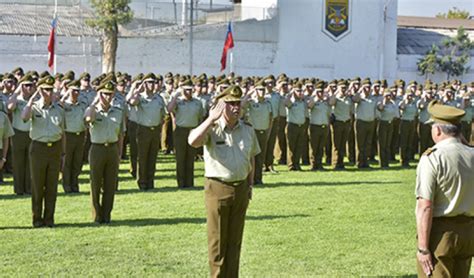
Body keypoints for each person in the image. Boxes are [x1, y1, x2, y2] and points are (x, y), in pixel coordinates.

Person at [188, 85, 260, 278]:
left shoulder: (247, 129)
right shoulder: (212, 129)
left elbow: (251, 158)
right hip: (218, 188)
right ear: (220, 106)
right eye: (230, 104)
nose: (236, 107)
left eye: (238, 103)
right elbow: (193, 141)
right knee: (218, 243)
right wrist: (211, 118)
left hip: (241, 187)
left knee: (234, 242)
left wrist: (250, 185)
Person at [415, 100, 474, 277]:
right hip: (469, 231)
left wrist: (423, 249)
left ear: (438, 130)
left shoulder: (432, 158)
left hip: (442, 233)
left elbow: (425, 206)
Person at [22, 76, 65, 228]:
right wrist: (31, 100)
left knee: (52, 186)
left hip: (54, 148)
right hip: (38, 148)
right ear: (40, 90)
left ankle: (49, 219)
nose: (48, 92)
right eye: (45, 89)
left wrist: (63, 154)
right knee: (37, 185)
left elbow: (62, 132)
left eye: (50, 89)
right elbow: (24, 117)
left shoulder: (59, 109)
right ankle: (37, 218)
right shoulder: (34, 107)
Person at [84, 80, 125, 224]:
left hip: (112, 149)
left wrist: (119, 153)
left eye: (110, 94)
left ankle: (107, 214)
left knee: (110, 184)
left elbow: (120, 134)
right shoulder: (93, 110)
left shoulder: (118, 111)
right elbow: (88, 118)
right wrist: (94, 103)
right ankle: (97, 214)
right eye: (104, 94)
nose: (107, 97)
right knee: (95, 183)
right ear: (99, 94)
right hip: (97, 148)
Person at [127, 73, 166, 190]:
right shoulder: (140, 97)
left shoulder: (159, 98)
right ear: (144, 84)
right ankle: (142, 182)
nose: (152, 85)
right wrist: (136, 89)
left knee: (152, 157)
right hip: (143, 129)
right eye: (149, 82)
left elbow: (162, 115)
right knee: (142, 158)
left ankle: (150, 181)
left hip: (155, 130)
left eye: (153, 82)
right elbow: (131, 101)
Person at [167, 79, 203, 188]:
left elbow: (200, 117)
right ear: (182, 90)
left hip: (193, 130)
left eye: (190, 90)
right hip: (180, 131)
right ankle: (181, 183)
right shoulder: (178, 102)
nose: (188, 92)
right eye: (186, 90)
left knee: (190, 158)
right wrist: (175, 96)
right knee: (180, 158)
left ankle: (189, 182)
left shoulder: (197, 102)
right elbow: (169, 109)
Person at [7, 74, 35, 195]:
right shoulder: (17, 100)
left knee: (30, 162)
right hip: (18, 133)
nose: (29, 88)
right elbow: (9, 107)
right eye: (26, 85)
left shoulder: (34, 100)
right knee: (18, 162)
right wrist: (16, 92)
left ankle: (28, 188)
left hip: (31, 133)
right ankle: (19, 189)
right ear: (22, 86)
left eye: (31, 85)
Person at [60, 80, 88, 193]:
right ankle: (67, 186)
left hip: (80, 134)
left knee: (77, 162)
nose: (75, 93)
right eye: (73, 91)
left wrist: (85, 134)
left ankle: (75, 185)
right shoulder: (64, 104)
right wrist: (66, 95)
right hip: (68, 135)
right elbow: (58, 105)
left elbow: (85, 121)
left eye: (77, 91)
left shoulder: (82, 104)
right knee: (67, 161)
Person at [242, 80, 272, 185]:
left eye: (263, 90)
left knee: (261, 157)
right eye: (259, 90)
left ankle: (258, 179)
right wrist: (248, 94)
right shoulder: (251, 102)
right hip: (252, 132)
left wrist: (268, 131)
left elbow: (270, 118)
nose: (262, 92)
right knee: (251, 157)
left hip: (263, 131)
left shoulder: (268, 103)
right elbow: (241, 106)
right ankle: (250, 179)